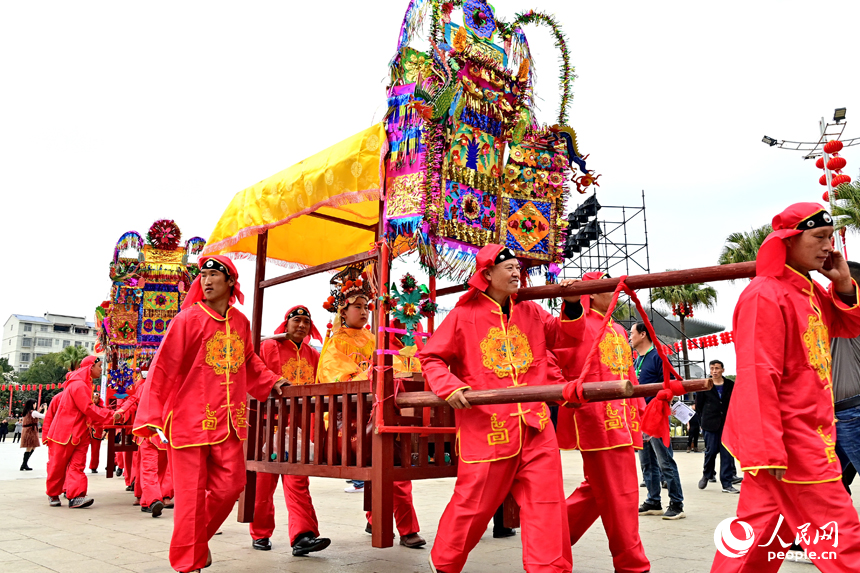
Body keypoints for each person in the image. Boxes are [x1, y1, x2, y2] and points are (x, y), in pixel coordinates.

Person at [420, 244, 586, 573]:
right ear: (486, 275)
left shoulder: (532, 311)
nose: (515, 273)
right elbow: (432, 358)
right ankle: (444, 563)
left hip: (536, 425)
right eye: (508, 267)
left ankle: (548, 569)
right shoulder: (462, 315)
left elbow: (564, 339)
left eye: (517, 267)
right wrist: (450, 386)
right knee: (473, 506)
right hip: (487, 428)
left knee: (547, 506)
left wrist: (570, 304)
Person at [713, 202, 860, 571]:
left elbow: (848, 326)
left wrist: (842, 283)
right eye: (819, 237)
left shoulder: (808, 291)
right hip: (791, 441)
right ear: (789, 240)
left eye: (830, 237)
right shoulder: (765, 293)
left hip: (808, 432)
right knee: (841, 539)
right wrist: (767, 449)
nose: (829, 246)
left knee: (755, 539)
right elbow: (758, 374)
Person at [132, 255, 289, 573]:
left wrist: (272, 380)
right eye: (202, 275)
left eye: (213, 275)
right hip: (190, 421)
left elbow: (250, 363)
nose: (205, 280)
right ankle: (189, 564)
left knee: (232, 486)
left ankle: (194, 544)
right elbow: (163, 368)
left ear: (230, 282)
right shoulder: (187, 319)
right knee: (189, 497)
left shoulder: (241, 322)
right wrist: (150, 414)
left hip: (230, 422)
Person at [317, 265, 425, 549]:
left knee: (393, 462)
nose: (364, 312)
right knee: (392, 463)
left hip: (379, 411)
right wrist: (375, 374)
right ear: (342, 310)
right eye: (358, 306)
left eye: (367, 307)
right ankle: (406, 528)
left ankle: (379, 518)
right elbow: (339, 377)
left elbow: (392, 365)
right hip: (352, 420)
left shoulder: (373, 338)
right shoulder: (334, 344)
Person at [554, 272, 650, 573]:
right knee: (622, 495)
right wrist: (565, 391)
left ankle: (549, 541)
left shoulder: (620, 331)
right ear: (592, 292)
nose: (617, 290)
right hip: (595, 420)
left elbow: (630, 377)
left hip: (623, 420)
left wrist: (641, 411)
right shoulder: (578, 326)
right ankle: (633, 565)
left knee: (599, 492)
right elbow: (550, 358)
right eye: (607, 284)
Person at [249, 305, 331, 556]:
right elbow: (254, 374)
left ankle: (302, 536)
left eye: (306, 322)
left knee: (298, 478)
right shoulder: (267, 347)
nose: (302, 325)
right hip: (269, 423)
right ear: (285, 324)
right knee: (265, 481)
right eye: (296, 320)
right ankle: (260, 532)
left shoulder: (313, 354)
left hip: (300, 426)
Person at [44, 356, 121, 508]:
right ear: (89, 367)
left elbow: (88, 411)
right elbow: (87, 408)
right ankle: (53, 493)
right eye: (99, 365)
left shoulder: (84, 385)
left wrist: (109, 416)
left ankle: (76, 496)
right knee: (58, 465)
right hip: (65, 433)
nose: (101, 369)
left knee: (77, 466)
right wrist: (111, 416)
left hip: (80, 433)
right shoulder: (78, 385)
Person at [629, 322, 686, 520]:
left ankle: (677, 503)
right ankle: (653, 501)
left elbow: (670, 387)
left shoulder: (659, 357)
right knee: (647, 462)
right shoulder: (637, 360)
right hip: (641, 417)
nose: (630, 336)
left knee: (665, 461)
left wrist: (657, 406)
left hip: (655, 416)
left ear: (643, 334)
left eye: (632, 333)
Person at [831, 260, 860, 488]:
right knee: (832, 484)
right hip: (837, 413)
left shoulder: (844, 316)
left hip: (850, 411)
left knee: (833, 484)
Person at [132, 372, 174, 517]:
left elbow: (131, 402)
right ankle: (155, 499)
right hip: (158, 434)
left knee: (152, 469)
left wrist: (118, 413)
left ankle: (149, 500)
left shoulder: (143, 387)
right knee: (159, 469)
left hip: (153, 434)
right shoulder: (170, 386)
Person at [695, 360, 741, 493]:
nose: (714, 371)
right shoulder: (704, 385)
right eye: (712, 368)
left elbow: (736, 403)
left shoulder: (730, 385)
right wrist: (702, 422)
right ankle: (707, 474)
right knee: (711, 451)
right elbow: (699, 407)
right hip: (710, 424)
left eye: (717, 368)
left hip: (727, 424)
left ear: (722, 370)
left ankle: (727, 483)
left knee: (727, 453)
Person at [20, 399, 46, 471]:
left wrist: (40, 409)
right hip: (31, 431)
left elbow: (34, 415)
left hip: (27, 430)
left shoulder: (26, 412)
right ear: (32, 404)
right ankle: (24, 464)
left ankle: (24, 464)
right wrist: (46, 409)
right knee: (29, 447)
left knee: (33, 446)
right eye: (35, 404)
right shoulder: (33, 412)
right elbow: (44, 416)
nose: (35, 405)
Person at [87, 391, 105, 474]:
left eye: (96, 398)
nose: (94, 400)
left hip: (97, 430)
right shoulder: (88, 407)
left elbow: (105, 420)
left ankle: (93, 467)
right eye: (93, 398)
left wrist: (104, 430)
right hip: (87, 429)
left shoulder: (102, 409)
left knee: (95, 450)